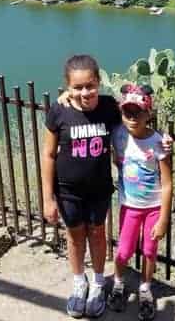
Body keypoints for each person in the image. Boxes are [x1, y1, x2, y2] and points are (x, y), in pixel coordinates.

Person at [42, 55, 121, 318]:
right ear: (67, 87)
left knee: (98, 234)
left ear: (98, 81)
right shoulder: (59, 111)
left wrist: (161, 141)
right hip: (67, 191)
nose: (84, 92)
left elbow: (137, 119)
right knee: (75, 237)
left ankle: (98, 283)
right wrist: (47, 198)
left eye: (90, 85)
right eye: (77, 87)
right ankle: (79, 282)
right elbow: (49, 154)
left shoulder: (110, 108)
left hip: (99, 189)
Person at [107, 83, 173, 321]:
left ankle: (145, 289)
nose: (132, 117)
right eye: (127, 112)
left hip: (153, 208)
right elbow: (116, 158)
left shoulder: (158, 142)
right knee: (123, 251)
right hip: (129, 206)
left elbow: (167, 183)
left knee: (149, 250)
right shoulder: (117, 134)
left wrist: (164, 218)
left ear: (149, 114)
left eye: (138, 112)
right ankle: (118, 283)